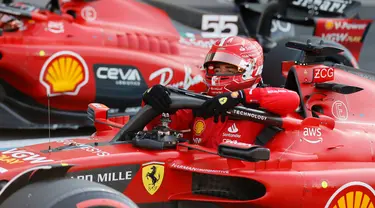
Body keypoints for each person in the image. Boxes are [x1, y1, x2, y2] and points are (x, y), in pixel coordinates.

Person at [142, 36, 300, 148]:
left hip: (246, 177)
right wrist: (152, 99)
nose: (219, 74)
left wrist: (240, 96)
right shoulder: (203, 102)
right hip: (204, 178)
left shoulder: (264, 100)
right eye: (216, 68)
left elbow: (293, 99)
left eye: (229, 69)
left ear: (250, 68)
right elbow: (164, 123)